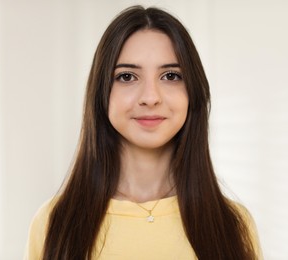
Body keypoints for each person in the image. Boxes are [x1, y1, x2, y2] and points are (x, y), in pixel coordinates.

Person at [24, 5, 262, 260]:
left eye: (171, 75)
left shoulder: (234, 225)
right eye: (127, 76)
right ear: (102, 93)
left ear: (193, 91)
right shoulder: (54, 222)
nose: (150, 97)